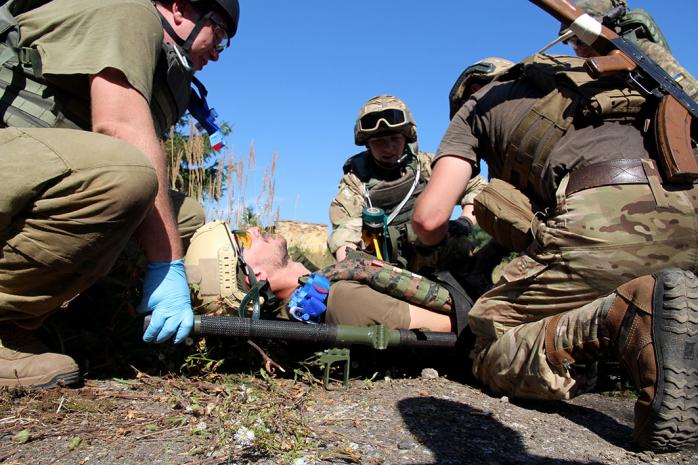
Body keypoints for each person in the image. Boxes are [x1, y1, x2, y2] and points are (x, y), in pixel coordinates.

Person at [412, 49, 698, 451]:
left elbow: (428, 219)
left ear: (470, 89)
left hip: (604, 218)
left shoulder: (479, 104)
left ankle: (614, 321)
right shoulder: (616, 78)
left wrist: (435, 252)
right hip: (690, 210)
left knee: (487, 346)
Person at [0, 0, 239, 388]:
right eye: (220, 33)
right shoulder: (129, 11)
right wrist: (168, 264)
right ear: (179, 9)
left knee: (184, 215)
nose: (217, 50)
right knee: (127, 175)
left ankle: (74, 322)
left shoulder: (162, 63)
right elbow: (119, 129)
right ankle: (6, 325)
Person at [185, 221, 456, 333]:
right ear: (256, 275)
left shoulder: (323, 285)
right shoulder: (342, 300)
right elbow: (458, 325)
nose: (254, 228)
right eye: (243, 239)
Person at [329, 95, 486, 272]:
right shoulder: (356, 181)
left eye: (395, 139)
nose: (388, 148)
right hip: (384, 266)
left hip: (436, 261)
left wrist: (465, 221)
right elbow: (343, 234)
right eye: (379, 141)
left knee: (460, 244)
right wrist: (351, 267)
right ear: (367, 144)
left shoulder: (427, 165)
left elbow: (477, 187)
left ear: (407, 137)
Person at [561, 0, 698, 101]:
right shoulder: (587, 71)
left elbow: (692, 96)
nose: (579, 49)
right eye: (572, 42)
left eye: (583, 39)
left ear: (607, 29)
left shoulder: (644, 52)